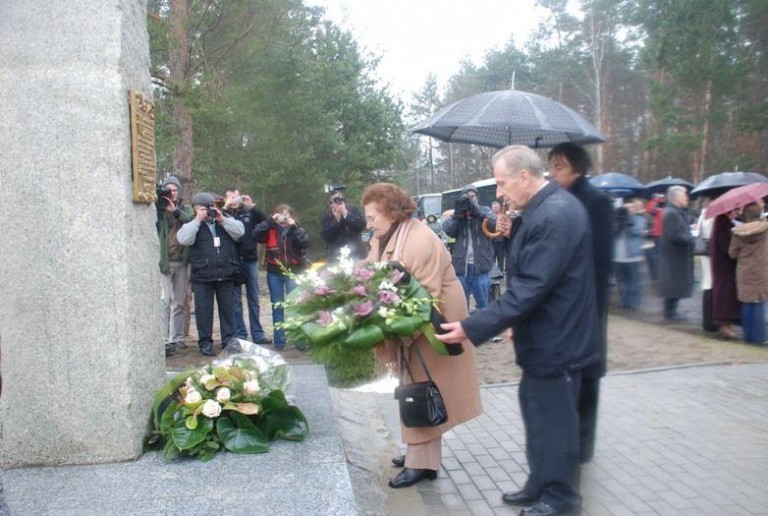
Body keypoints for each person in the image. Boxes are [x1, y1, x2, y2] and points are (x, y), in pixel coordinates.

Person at [437, 146, 599, 516]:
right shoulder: (541, 210)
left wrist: (470, 326)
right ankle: (541, 482)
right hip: (543, 335)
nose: (499, 192)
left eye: (501, 182)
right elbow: (531, 273)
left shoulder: (556, 214)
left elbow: (531, 287)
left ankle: (561, 499)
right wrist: (510, 233)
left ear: (524, 176)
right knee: (537, 416)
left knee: (554, 424)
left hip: (558, 341)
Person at [361, 182, 482, 490]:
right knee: (416, 387)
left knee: (422, 387)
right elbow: (370, 272)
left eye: (372, 216)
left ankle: (421, 462)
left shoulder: (419, 239)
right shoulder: (386, 236)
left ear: (391, 212)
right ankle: (422, 455)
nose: (368, 223)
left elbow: (422, 299)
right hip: (415, 322)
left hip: (435, 325)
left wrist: (387, 327)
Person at [546, 142, 614, 465]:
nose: (553, 173)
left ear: (577, 168)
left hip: (588, 303)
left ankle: (583, 446)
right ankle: (567, 441)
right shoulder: (559, 200)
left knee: (587, 376)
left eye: (559, 167)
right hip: (566, 304)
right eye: (551, 166)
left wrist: (593, 307)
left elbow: (601, 262)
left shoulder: (595, 201)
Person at [177, 192, 245, 356]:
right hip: (203, 275)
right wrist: (197, 220)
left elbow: (240, 231)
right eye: (202, 209)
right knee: (203, 311)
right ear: (195, 209)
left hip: (226, 272)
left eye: (209, 207)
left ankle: (229, 341)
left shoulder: (224, 220)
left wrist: (222, 219)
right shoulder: (192, 224)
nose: (207, 212)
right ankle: (205, 342)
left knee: (228, 310)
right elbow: (184, 239)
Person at [253, 204, 310, 350]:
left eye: (287, 214)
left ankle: (298, 340)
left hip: (293, 271)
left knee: (295, 306)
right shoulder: (270, 228)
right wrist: (270, 221)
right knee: (277, 306)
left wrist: (295, 227)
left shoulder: (295, 228)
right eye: (280, 214)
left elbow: (305, 242)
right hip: (274, 272)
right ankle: (279, 341)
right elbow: (256, 235)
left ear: (292, 216)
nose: (284, 217)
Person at [222, 188, 271, 344]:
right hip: (232, 260)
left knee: (253, 298)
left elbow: (266, 222)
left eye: (237, 197)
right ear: (226, 199)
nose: (235, 200)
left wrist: (253, 207)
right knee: (235, 301)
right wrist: (224, 207)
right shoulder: (223, 214)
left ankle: (257, 332)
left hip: (250, 258)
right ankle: (240, 333)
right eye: (231, 198)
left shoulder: (249, 212)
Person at [155, 176, 194, 356]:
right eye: (168, 190)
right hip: (164, 262)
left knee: (179, 302)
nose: (172, 193)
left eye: (175, 190)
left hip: (181, 261)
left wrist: (175, 211)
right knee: (165, 301)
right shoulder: (159, 210)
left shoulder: (184, 209)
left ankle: (176, 338)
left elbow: (192, 221)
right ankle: (162, 339)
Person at [442, 185, 497, 310]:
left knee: (485, 307)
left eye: (473, 197)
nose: (471, 200)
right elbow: (448, 230)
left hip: (481, 268)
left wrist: (478, 212)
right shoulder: (457, 214)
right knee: (462, 308)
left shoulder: (485, 210)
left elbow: (495, 224)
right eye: (467, 198)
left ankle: (485, 328)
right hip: (462, 268)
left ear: (477, 197)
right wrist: (458, 216)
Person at [728, 201, 768, 345]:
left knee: (746, 302)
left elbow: (732, 254)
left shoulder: (738, 232)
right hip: (762, 270)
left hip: (744, 271)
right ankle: (759, 336)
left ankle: (748, 336)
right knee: (759, 302)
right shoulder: (765, 230)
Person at [658, 185, 695, 321]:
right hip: (673, 256)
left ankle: (671, 312)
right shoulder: (671, 213)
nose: (687, 197)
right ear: (676, 197)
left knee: (675, 285)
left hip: (676, 256)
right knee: (673, 285)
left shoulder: (676, 212)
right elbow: (674, 235)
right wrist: (691, 239)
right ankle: (670, 313)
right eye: (684, 195)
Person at [710, 208, 742, 339]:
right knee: (724, 294)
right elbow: (726, 246)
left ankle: (726, 323)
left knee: (725, 293)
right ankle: (724, 323)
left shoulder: (722, 222)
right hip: (724, 265)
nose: (737, 212)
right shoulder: (723, 223)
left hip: (723, 265)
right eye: (735, 210)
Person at [613, 199, 647, 310]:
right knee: (622, 281)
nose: (628, 210)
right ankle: (624, 302)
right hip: (619, 256)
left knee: (633, 281)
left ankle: (634, 303)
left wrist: (628, 221)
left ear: (635, 209)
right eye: (626, 208)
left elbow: (636, 231)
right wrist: (618, 222)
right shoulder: (618, 220)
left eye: (630, 208)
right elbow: (612, 233)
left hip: (633, 256)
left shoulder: (639, 219)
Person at [320, 186, 366, 260]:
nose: (335, 204)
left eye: (337, 200)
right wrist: (337, 221)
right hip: (337, 256)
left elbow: (362, 225)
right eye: (331, 202)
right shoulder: (326, 217)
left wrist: (345, 213)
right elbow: (327, 238)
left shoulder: (353, 210)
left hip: (357, 253)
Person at [694, 198, 718, 332]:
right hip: (710, 252)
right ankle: (709, 321)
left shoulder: (703, 215)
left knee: (707, 283)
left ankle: (708, 321)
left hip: (705, 252)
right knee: (710, 284)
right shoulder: (710, 215)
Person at [645, 193, 665, 280]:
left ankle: (657, 275)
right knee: (656, 255)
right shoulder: (653, 203)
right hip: (656, 233)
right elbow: (652, 210)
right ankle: (656, 275)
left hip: (659, 233)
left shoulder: (660, 205)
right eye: (662, 197)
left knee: (658, 255)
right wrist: (657, 201)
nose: (663, 198)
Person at [491, 201, 507, 272]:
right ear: (492, 208)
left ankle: (500, 272)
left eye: (497, 207)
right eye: (494, 207)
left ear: (500, 207)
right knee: (492, 258)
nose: (496, 208)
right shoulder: (489, 216)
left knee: (500, 258)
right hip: (491, 241)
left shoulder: (503, 215)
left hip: (501, 240)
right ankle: (493, 273)